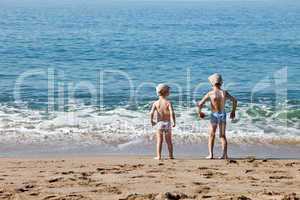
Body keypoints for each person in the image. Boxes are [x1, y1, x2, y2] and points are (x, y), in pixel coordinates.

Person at [197, 73, 237, 159]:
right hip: (222, 114)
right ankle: (224, 154)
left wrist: (199, 112)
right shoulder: (224, 93)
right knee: (222, 135)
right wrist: (233, 111)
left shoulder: (210, 94)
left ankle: (211, 154)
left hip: (214, 115)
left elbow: (200, 104)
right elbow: (234, 100)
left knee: (212, 134)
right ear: (221, 83)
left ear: (212, 83)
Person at [150, 84, 176, 160]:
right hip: (167, 123)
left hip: (159, 124)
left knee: (159, 141)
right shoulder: (168, 102)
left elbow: (151, 112)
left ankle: (159, 156)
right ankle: (171, 155)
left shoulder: (155, 103)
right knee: (169, 141)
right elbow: (172, 112)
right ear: (166, 93)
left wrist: (151, 121)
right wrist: (174, 121)